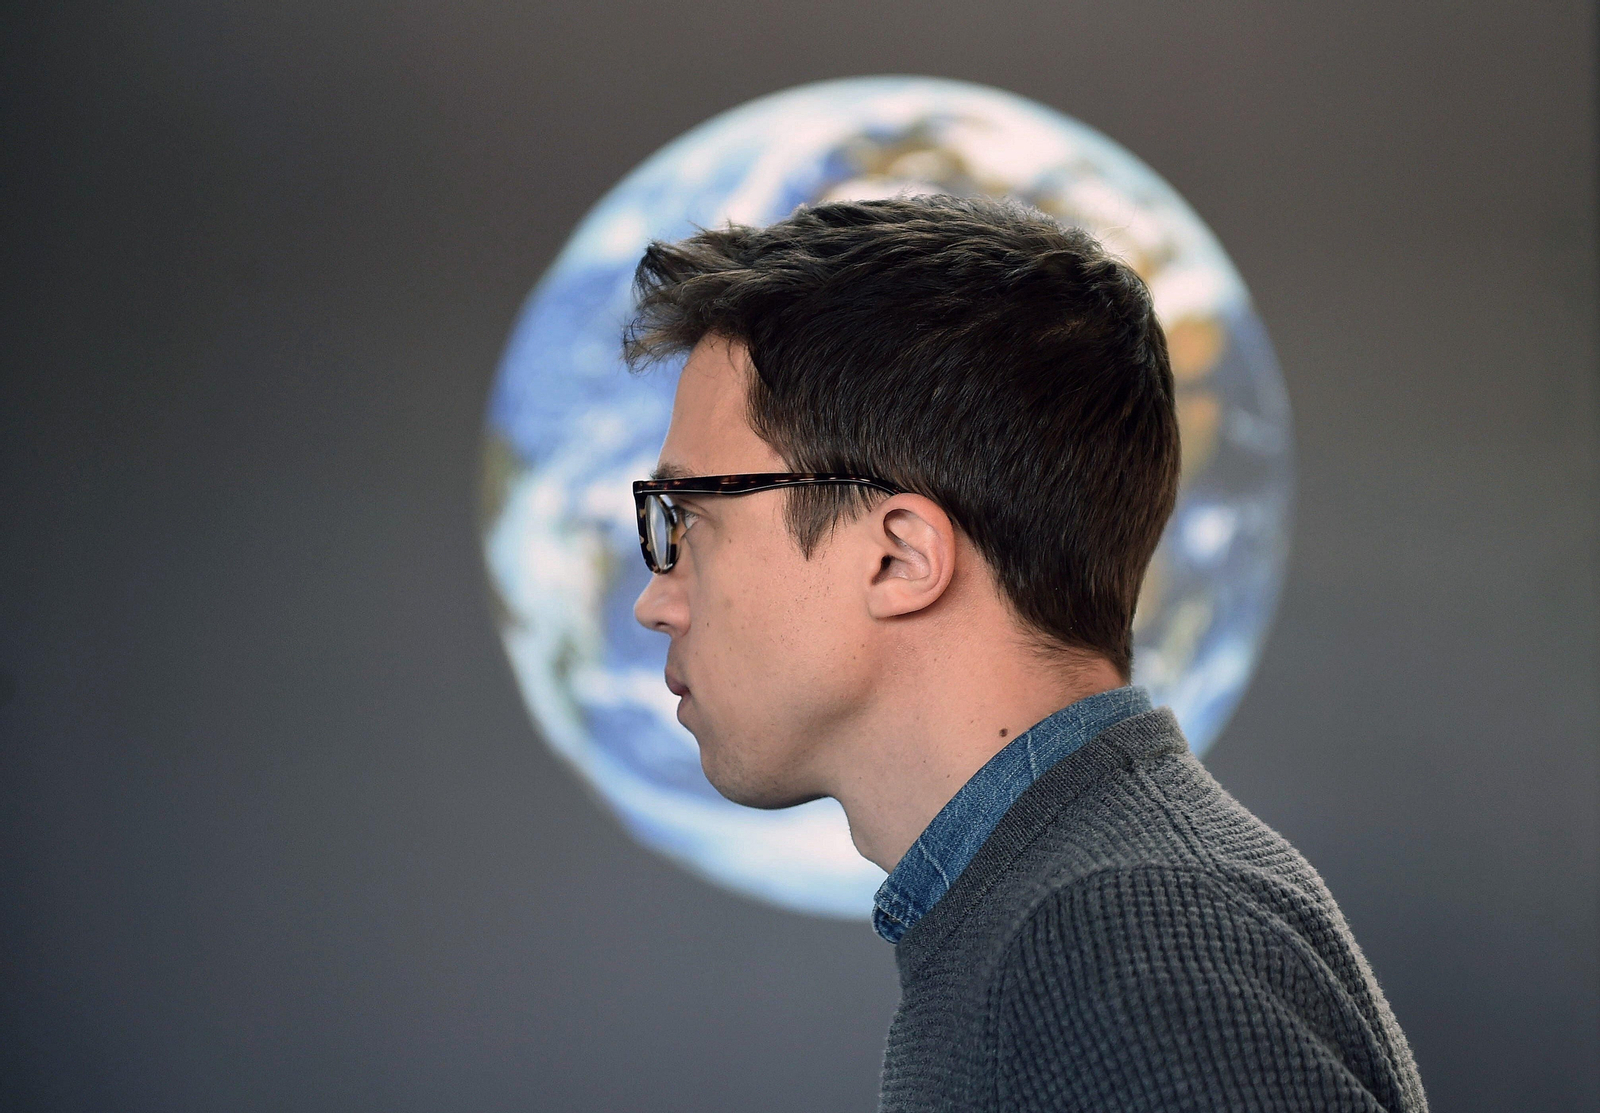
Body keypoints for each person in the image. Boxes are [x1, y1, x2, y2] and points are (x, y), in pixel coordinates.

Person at [626, 194, 1427, 1113]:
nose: (658, 599)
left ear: (899, 556)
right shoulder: (1075, 914)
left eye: (690, 517)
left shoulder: (1121, 941)